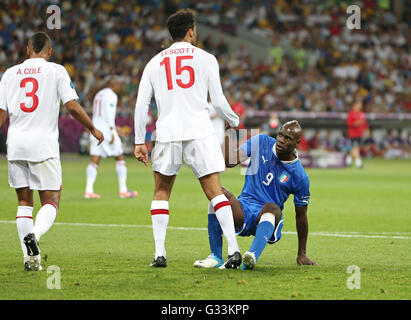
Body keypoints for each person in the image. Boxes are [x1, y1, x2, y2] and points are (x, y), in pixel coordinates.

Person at [134, 9, 242, 268]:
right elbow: (217, 100)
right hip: (199, 131)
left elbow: (141, 104)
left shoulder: (154, 62)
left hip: (168, 133)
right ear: (191, 31)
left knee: (161, 191)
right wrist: (235, 120)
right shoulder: (206, 59)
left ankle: (160, 254)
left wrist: (139, 140)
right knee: (215, 192)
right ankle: (234, 250)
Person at [0, 32, 104, 271]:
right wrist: (92, 128)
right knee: (51, 200)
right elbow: (72, 106)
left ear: (27, 50)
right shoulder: (56, 71)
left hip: (15, 145)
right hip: (43, 145)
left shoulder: (10, 74)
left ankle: (30, 260)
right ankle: (34, 236)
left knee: (24, 203)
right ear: (49, 52)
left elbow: (1, 113)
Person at [194, 121, 317, 269]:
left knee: (273, 207)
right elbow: (230, 161)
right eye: (280, 135)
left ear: (297, 142)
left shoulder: (299, 176)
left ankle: (251, 257)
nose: (281, 140)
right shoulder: (261, 142)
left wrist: (301, 253)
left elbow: (301, 216)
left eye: (288, 138)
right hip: (243, 209)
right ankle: (216, 257)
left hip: (267, 217)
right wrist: (229, 134)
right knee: (218, 193)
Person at [84, 77, 138, 199]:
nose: (119, 88)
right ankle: (123, 190)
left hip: (96, 129)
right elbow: (109, 114)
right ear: (114, 84)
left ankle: (88, 190)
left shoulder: (99, 94)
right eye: (119, 85)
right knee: (120, 157)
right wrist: (112, 131)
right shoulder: (111, 95)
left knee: (94, 160)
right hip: (107, 132)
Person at [346, 100, 368, 168]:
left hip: (360, 134)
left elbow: (365, 123)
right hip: (353, 134)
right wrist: (357, 123)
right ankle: (359, 163)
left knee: (356, 148)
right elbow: (349, 123)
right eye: (359, 104)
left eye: (361, 105)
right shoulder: (351, 113)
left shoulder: (361, 113)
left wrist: (367, 130)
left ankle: (348, 160)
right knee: (355, 148)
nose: (360, 106)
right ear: (355, 105)